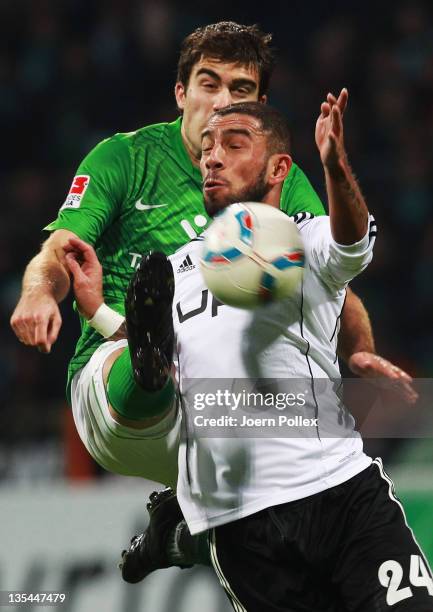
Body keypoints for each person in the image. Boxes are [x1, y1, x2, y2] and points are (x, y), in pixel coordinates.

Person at [67, 99, 432, 610]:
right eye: (208, 146)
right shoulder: (172, 268)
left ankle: (175, 532)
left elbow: (352, 242)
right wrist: (97, 312)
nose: (213, 157)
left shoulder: (304, 238)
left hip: (344, 493)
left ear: (279, 167)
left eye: (234, 144)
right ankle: (178, 531)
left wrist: (333, 164)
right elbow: (153, 347)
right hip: (244, 528)